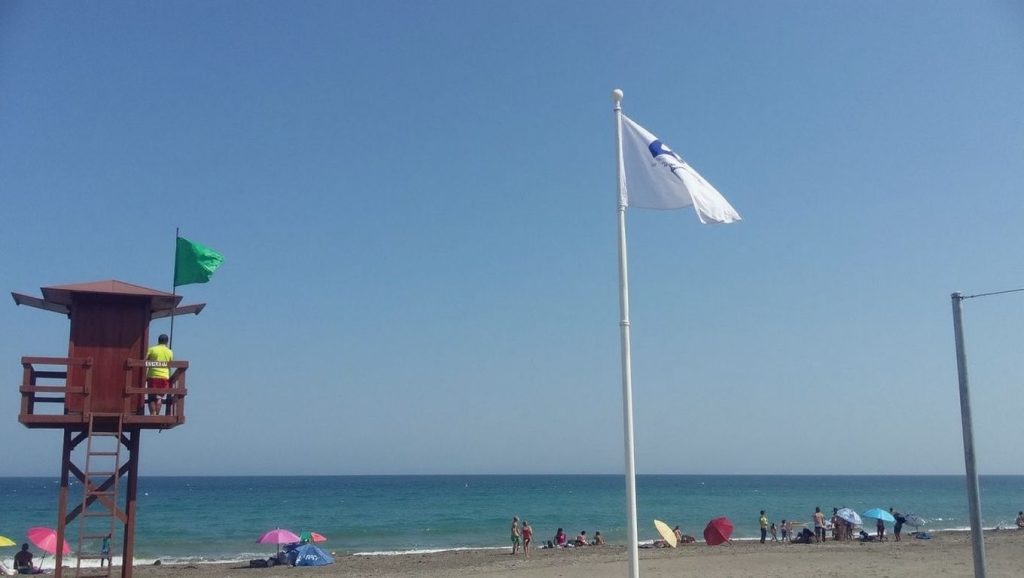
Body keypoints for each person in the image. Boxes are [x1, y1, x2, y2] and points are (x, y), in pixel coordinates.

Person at [145, 333, 173, 415]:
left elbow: (144, 361)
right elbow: (170, 363)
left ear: (158, 341)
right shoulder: (169, 352)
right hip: (164, 377)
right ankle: (156, 415)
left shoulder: (152, 349)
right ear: (167, 342)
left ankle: (152, 413)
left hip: (152, 376)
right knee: (159, 398)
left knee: (151, 397)